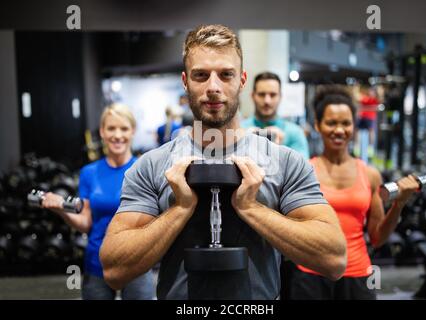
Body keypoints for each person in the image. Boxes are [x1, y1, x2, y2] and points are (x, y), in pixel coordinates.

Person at [99, 24, 347, 300]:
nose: (213, 87)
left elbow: (334, 259)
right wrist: (180, 209)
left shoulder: (286, 162)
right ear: (185, 81)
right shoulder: (151, 166)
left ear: (241, 80)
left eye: (225, 75)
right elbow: (114, 270)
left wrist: (251, 208)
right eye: (201, 75)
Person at [285, 85, 420, 300]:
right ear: (318, 126)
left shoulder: (370, 174)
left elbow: (377, 238)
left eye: (345, 123)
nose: (339, 130)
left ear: (354, 126)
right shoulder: (304, 171)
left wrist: (399, 204)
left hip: (357, 273)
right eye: (331, 123)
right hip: (310, 274)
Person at [41, 103, 155, 300]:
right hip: (97, 262)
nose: (117, 135)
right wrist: (61, 209)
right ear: (102, 132)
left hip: (136, 262)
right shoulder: (89, 173)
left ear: (133, 131)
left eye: (124, 128)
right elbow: (86, 224)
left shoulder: (144, 170)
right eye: (111, 128)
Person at [241, 72, 310, 159]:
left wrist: (279, 151)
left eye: (273, 95)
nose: (267, 101)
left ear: (280, 97)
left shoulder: (295, 133)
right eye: (261, 94)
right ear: (253, 96)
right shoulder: (240, 130)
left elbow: (302, 170)